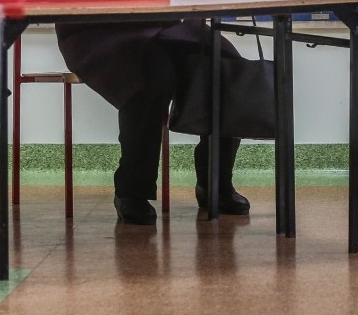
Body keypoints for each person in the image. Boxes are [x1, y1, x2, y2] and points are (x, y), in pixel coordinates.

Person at [55, 21, 251, 225]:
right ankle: (132, 190)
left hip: (164, 23)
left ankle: (215, 183)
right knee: (150, 72)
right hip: (98, 28)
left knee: (224, 63)